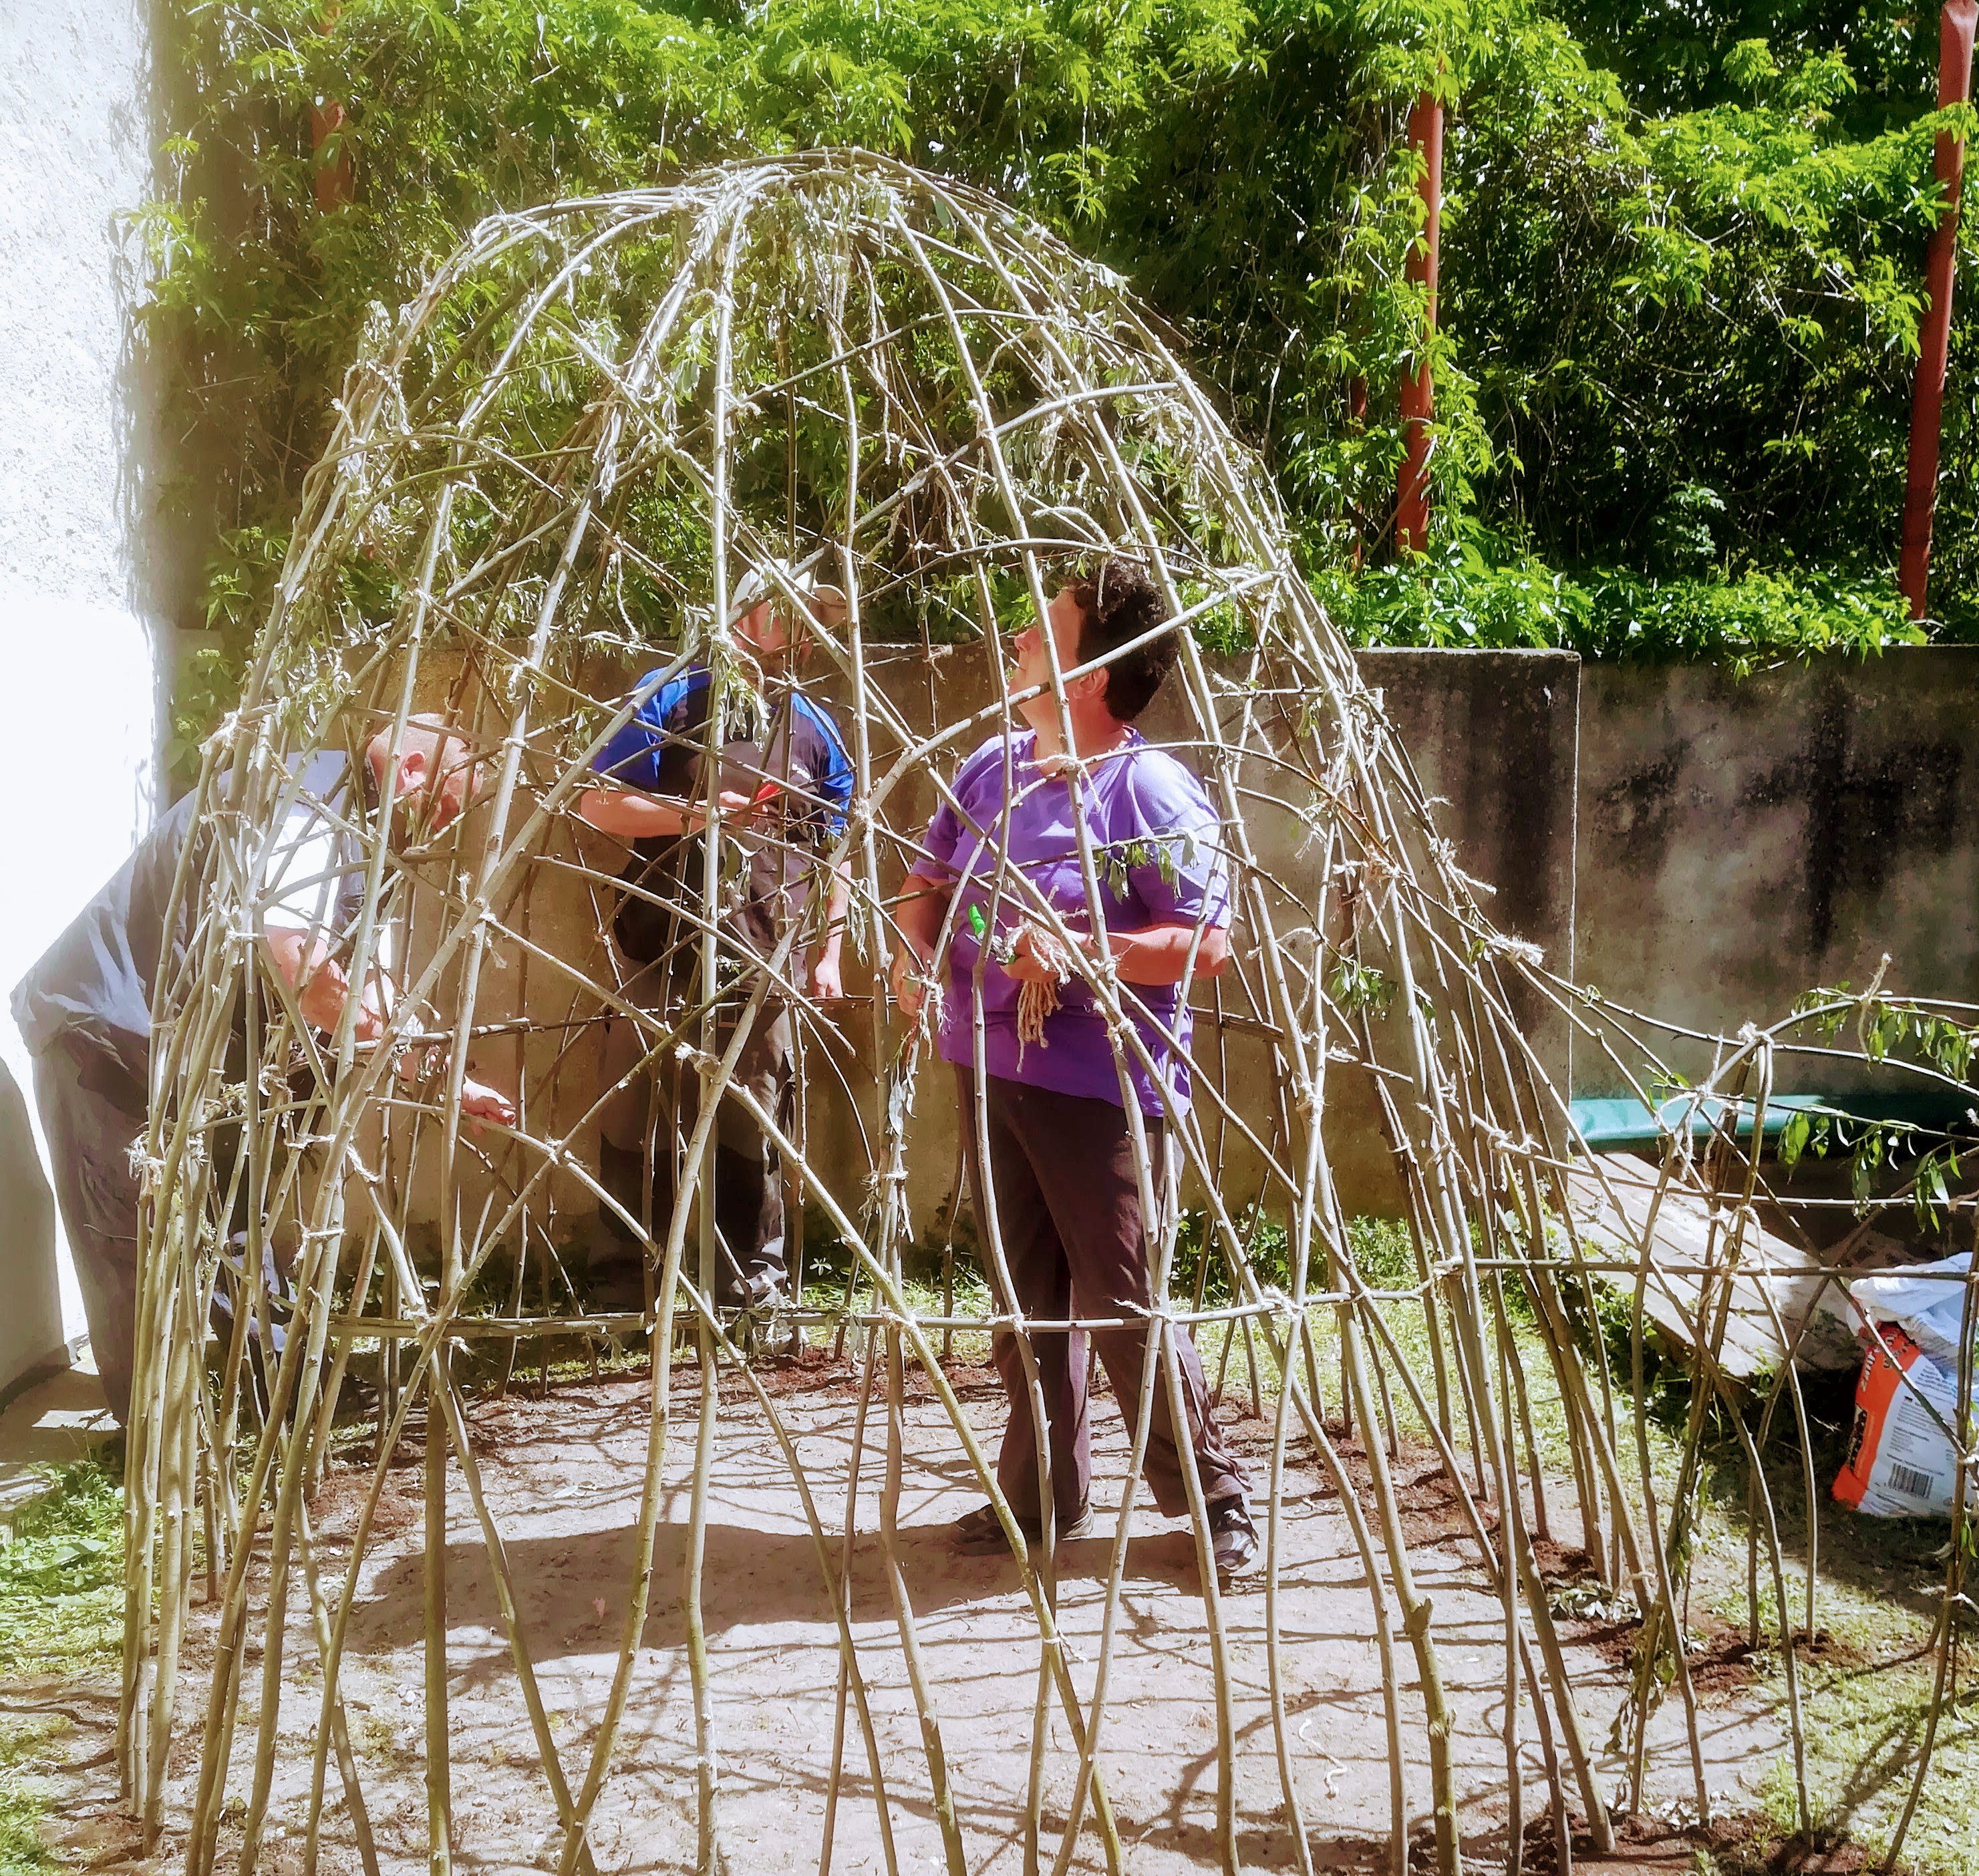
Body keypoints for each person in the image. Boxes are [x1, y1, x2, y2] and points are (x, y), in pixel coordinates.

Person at [891, 563, 1261, 1577]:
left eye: (1042, 630)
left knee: (1122, 1299)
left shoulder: (1149, 791)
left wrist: (1082, 951)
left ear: (1091, 675)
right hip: (986, 1064)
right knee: (1023, 1297)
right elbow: (928, 886)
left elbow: (1206, 943)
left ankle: (1213, 1497)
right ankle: (1044, 1492)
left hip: (1098, 1085)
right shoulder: (992, 769)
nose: (1017, 640)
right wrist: (915, 958)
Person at [11, 715, 515, 1431]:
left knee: (234, 1212)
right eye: (443, 806)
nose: (441, 827)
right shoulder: (309, 803)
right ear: (407, 773)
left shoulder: (364, 839)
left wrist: (446, 1079)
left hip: (183, 1051)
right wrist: (414, 1058)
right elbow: (305, 964)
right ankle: (153, 1437)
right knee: (130, 1235)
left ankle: (280, 1390)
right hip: (103, 1035)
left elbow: (365, 986)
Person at [578, 559, 853, 1325]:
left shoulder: (815, 727)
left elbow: (836, 847)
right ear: (749, 612)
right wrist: (695, 817)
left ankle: (748, 1281)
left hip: (766, 952)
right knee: (631, 1095)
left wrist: (828, 952)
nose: (804, 635)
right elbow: (595, 802)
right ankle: (622, 1279)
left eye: (816, 620)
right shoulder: (671, 693)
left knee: (753, 1108)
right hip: (658, 937)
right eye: (793, 614)